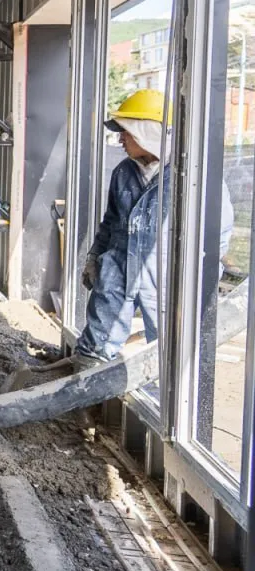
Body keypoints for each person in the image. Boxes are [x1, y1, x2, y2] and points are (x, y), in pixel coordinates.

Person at [74, 89, 233, 367]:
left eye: (125, 131)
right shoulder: (123, 172)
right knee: (93, 349)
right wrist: (93, 258)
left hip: (165, 279)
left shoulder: (193, 176)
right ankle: (81, 402)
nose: (120, 138)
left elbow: (217, 234)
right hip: (118, 271)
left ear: (148, 132)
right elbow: (110, 222)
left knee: (168, 357)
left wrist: (200, 278)